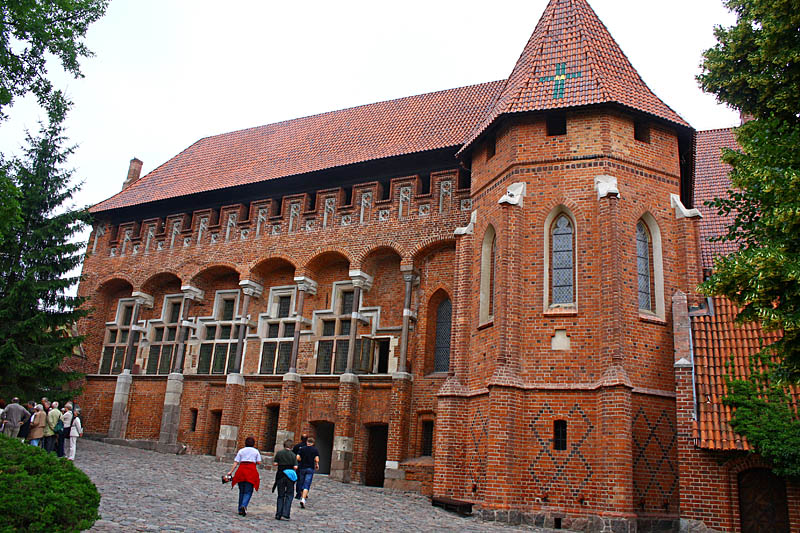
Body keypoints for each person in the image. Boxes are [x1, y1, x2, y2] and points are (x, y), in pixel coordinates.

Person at [225, 436, 261, 517]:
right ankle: (244, 505)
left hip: (241, 470)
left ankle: (239, 508)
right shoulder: (256, 451)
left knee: (241, 491)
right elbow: (259, 462)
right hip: (251, 471)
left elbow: (236, 462)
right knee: (248, 491)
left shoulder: (241, 451)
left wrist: (230, 472)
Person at [272, 439, 298, 520]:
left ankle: (278, 514)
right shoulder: (293, 455)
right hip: (289, 476)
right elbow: (295, 467)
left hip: (280, 475)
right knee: (289, 495)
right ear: (291, 446)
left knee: (280, 495)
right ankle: (286, 513)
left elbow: (275, 463)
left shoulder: (279, 453)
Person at [296, 436, 320, 509]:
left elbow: (297, 457)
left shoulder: (302, 449)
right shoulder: (315, 450)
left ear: (307, 442)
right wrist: (316, 464)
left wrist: (301, 460)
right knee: (307, 484)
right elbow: (317, 459)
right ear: (313, 443)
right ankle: (303, 499)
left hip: (302, 467)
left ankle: (301, 495)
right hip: (310, 468)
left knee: (301, 482)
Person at [292, 433, 308, 500]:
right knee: (306, 480)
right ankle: (304, 493)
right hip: (307, 465)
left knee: (299, 480)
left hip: (299, 465)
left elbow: (294, 455)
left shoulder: (297, 446)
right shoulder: (309, 447)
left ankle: (298, 494)